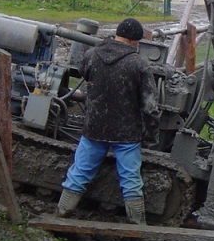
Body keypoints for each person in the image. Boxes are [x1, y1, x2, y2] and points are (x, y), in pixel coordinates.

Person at [57, 18, 160, 225]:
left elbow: (84, 74)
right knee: (131, 180)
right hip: (126, 134)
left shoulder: (91, 55)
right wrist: (150, 136)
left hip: (94, 128)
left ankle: (61, 214)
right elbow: (150, 108)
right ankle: (138, 225)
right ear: (135, 41)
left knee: (79, 173)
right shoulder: (139, 64)